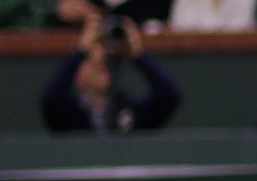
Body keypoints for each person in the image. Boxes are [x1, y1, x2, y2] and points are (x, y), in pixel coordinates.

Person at [41, 16, 183, 133]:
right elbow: (50, 100)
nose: (103, 61)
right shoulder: (69, 113)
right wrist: (80, 52)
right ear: (77, 73)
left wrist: (139, 56)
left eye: (106, 65)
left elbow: (169, 96)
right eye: (94, 64)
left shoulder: (127, 109)